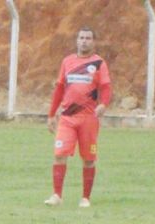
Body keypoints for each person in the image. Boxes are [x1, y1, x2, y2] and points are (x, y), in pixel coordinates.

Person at [44, 26, 112, 208]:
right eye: (81, 37)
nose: (84, 41)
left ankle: (85, 198)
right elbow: (59, 88)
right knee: (59, 154)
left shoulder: (99, 63)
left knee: (88, 158)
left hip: (88, 118)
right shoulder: (67, 62)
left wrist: (103, 104)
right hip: (67, 117)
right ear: (76, 40)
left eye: (88, 38)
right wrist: (51, 114)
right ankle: (57, 195)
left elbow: (105, 87)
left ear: (94, 41)